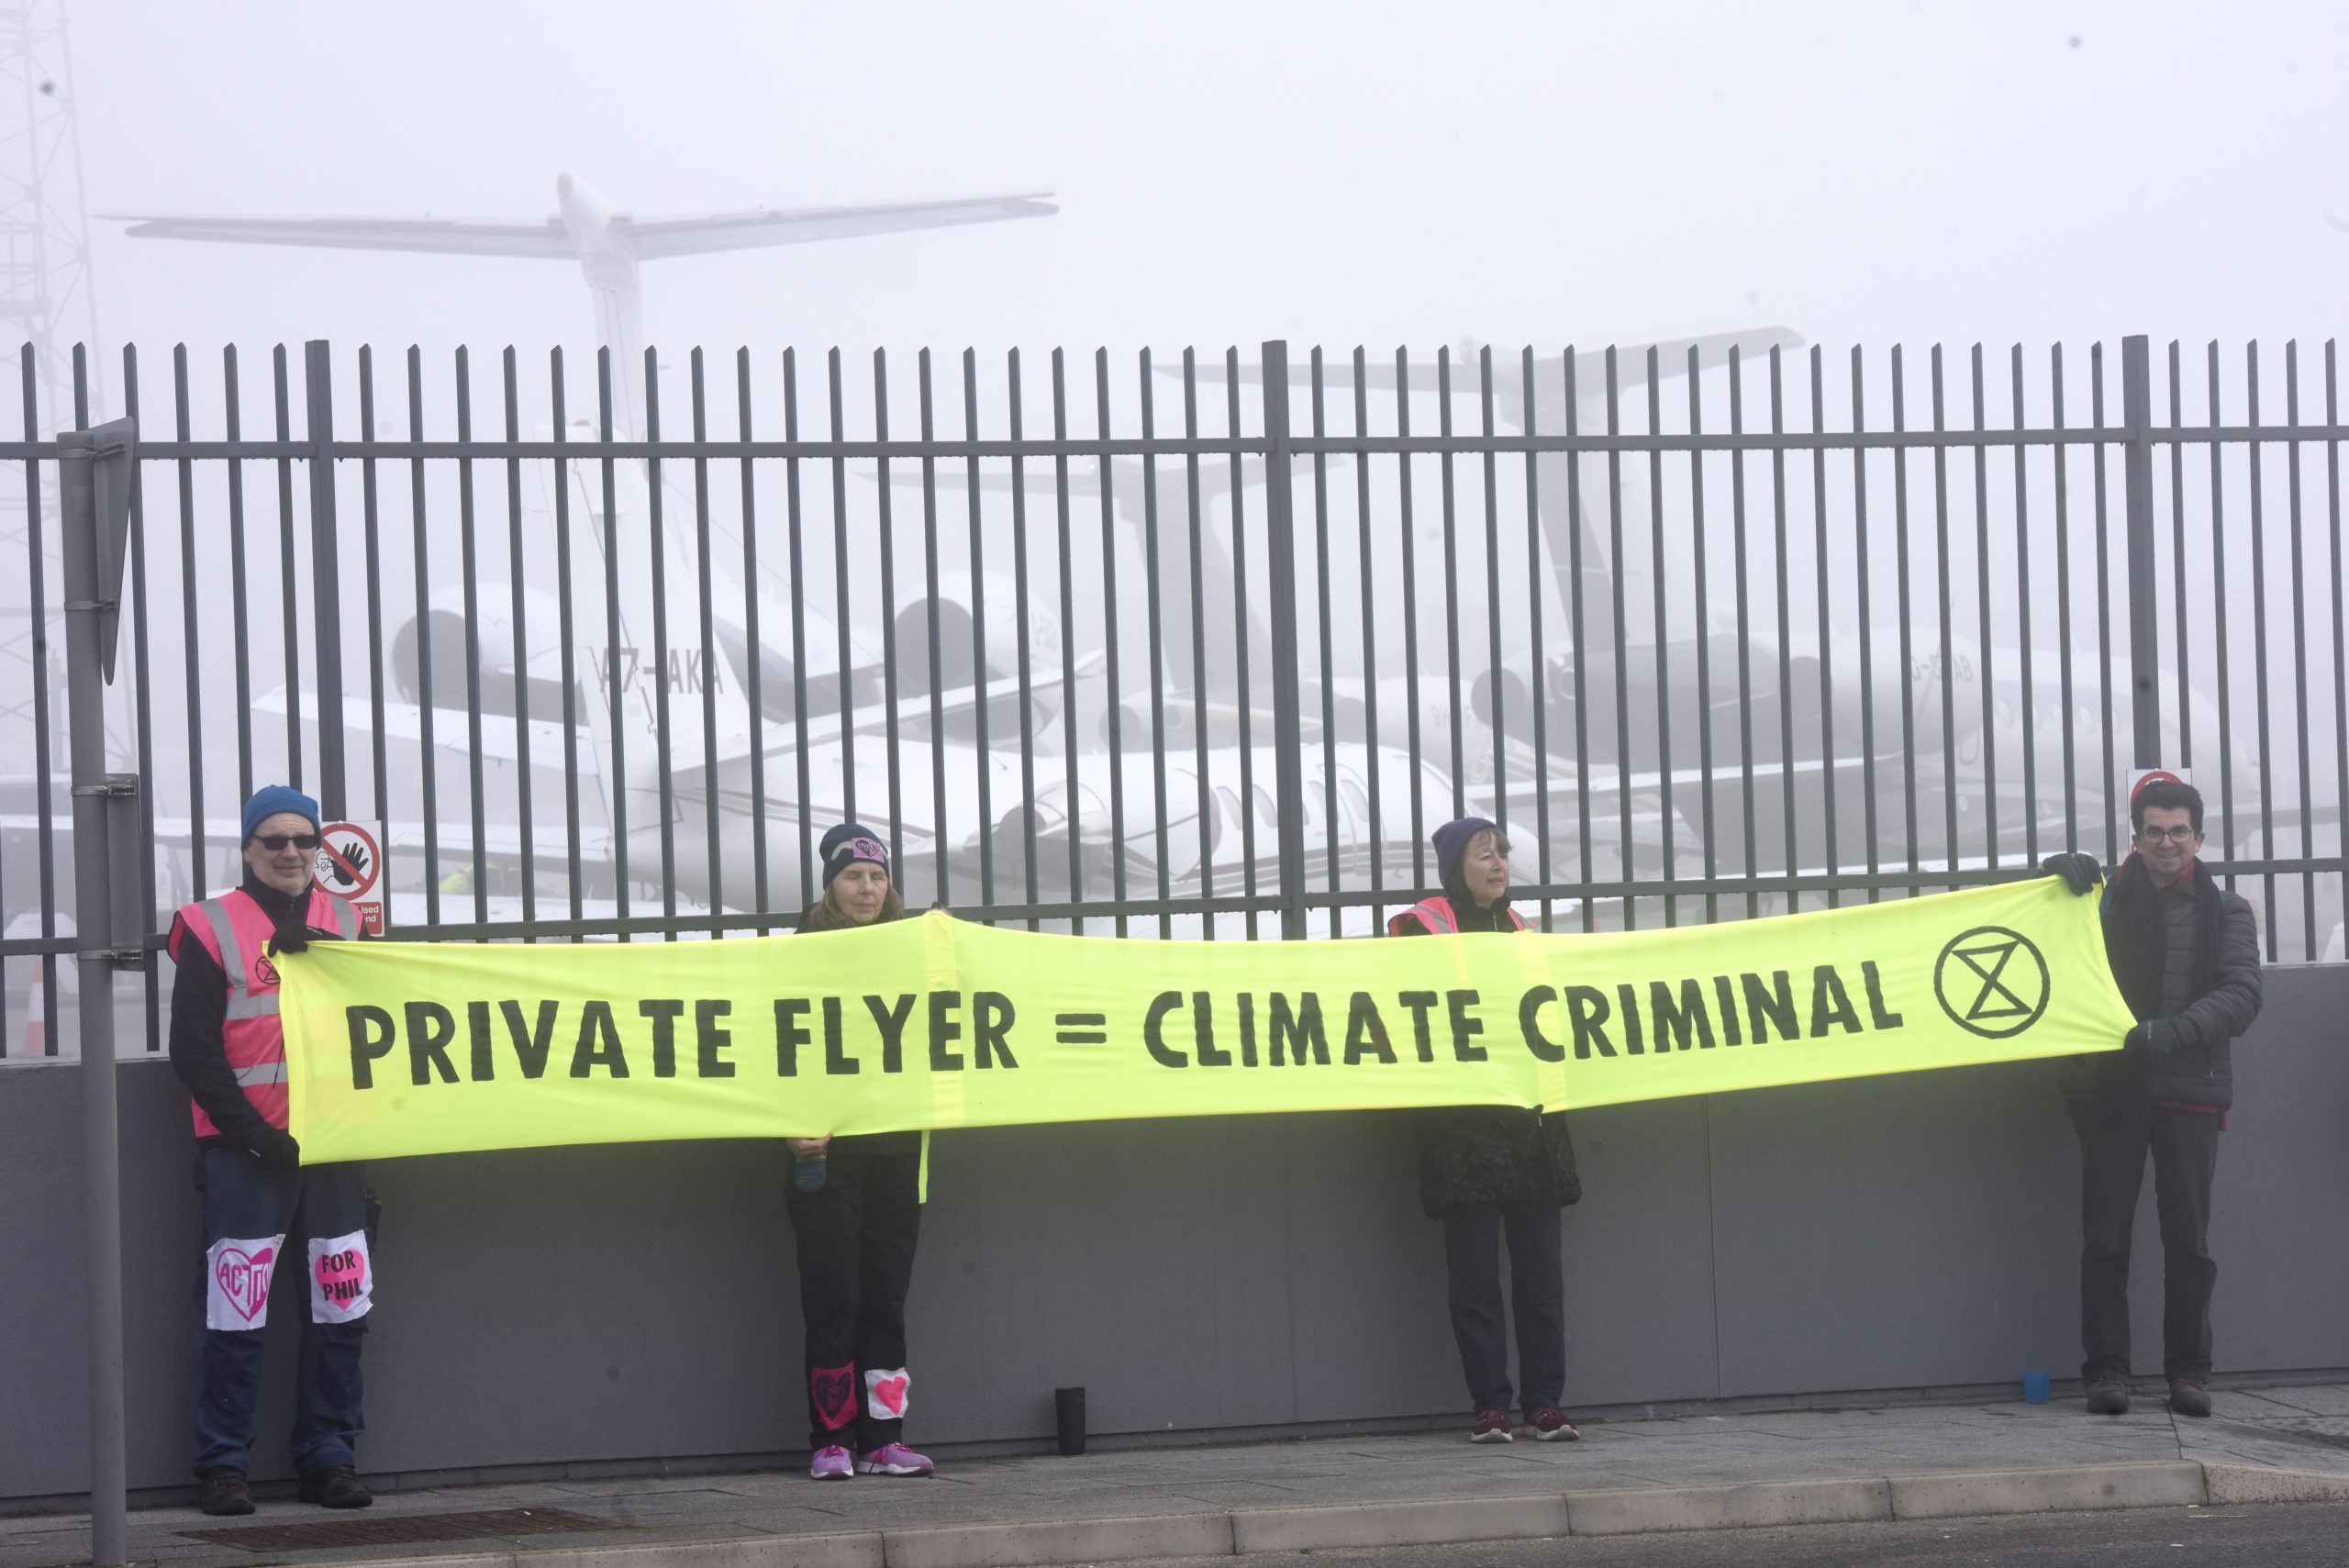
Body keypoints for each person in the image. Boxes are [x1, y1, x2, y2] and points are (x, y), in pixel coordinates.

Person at [166, 786, 372, 1517]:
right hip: (245, 1155)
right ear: (248, 849)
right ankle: (224, 1463)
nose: (290, 852)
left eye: (302, 840)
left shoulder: (348, 920)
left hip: (334, 1155)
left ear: (320, 849)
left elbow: (380, 1036)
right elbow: (191, 1048)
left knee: (340, 1308)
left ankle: (330, 1455)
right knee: (235, 1312)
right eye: (273, 840)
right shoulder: (207, 923)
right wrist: (254, 1136)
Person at [2041, 777, 2262, 1420]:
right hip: (2109, 1091)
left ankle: (2188, 1374)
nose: (2167, 841)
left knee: (2188, 1241)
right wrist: (2050, 879)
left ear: (2199, 836)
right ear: (2134, 837)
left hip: (2189, 1091)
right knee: (2104, 1238)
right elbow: (2041, 942)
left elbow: (2243, 992)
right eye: (2154, 831)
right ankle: (2107, 1373)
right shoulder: (2096, 900)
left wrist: (2177, 1032)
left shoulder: (2230, 910)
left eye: (2179, 831)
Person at [1388, 817, 1581, 1444]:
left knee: (1540, 1280)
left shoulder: (1523, 929)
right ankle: (1490, 1405)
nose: (1499, 864)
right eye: (1484, 854)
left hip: (1528, 1125)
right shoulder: (1422, 928)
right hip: (1462, 1129)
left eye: (1503, 853)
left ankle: (1544, 1403)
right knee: (1474, 1282)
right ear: (1455, 868)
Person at [786, 823, 935, 1481]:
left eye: (877, 877)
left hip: (899, 1149)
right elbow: (771, 1050)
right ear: (830, 886)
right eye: (854, 876)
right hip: (822, 1155)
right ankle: (831, 1440)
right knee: (833, 1297)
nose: (868, 888)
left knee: (885, 1297)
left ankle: (883, 1437)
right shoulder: (796, 955)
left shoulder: (915, 949)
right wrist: (786, 1128)